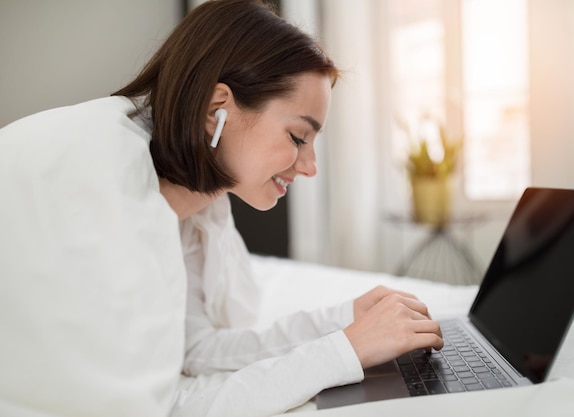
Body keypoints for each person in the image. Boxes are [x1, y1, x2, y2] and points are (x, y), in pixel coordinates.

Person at [0, 1, 443, 416]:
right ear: (218, 109)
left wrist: (343, 321)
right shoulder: (111, 177)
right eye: (297, 137)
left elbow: (193, 352)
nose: (310, 168)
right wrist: (342, 352)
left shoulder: (192, 196)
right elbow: (164, 406)